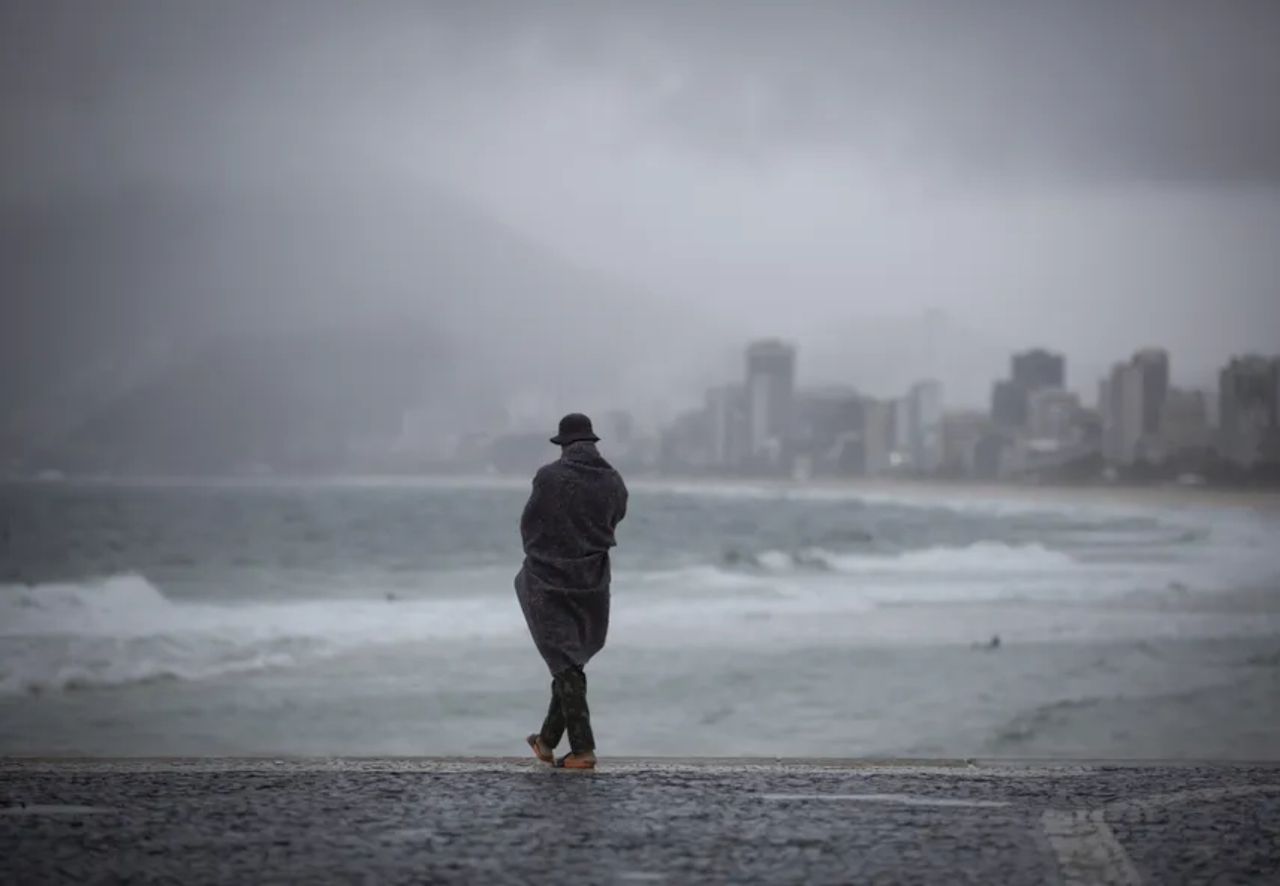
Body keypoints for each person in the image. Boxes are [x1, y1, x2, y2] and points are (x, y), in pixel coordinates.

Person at [516, 413, 628, 769]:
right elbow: (617, 516)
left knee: (564, 661)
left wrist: (547, 551)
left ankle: (582, 749)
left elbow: (530, 523)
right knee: (571, 659)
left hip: (548, 578)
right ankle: (546, 742)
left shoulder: (549, 477)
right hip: (592, 579)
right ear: (592, 444)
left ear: (564, 446)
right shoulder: (613, 481)